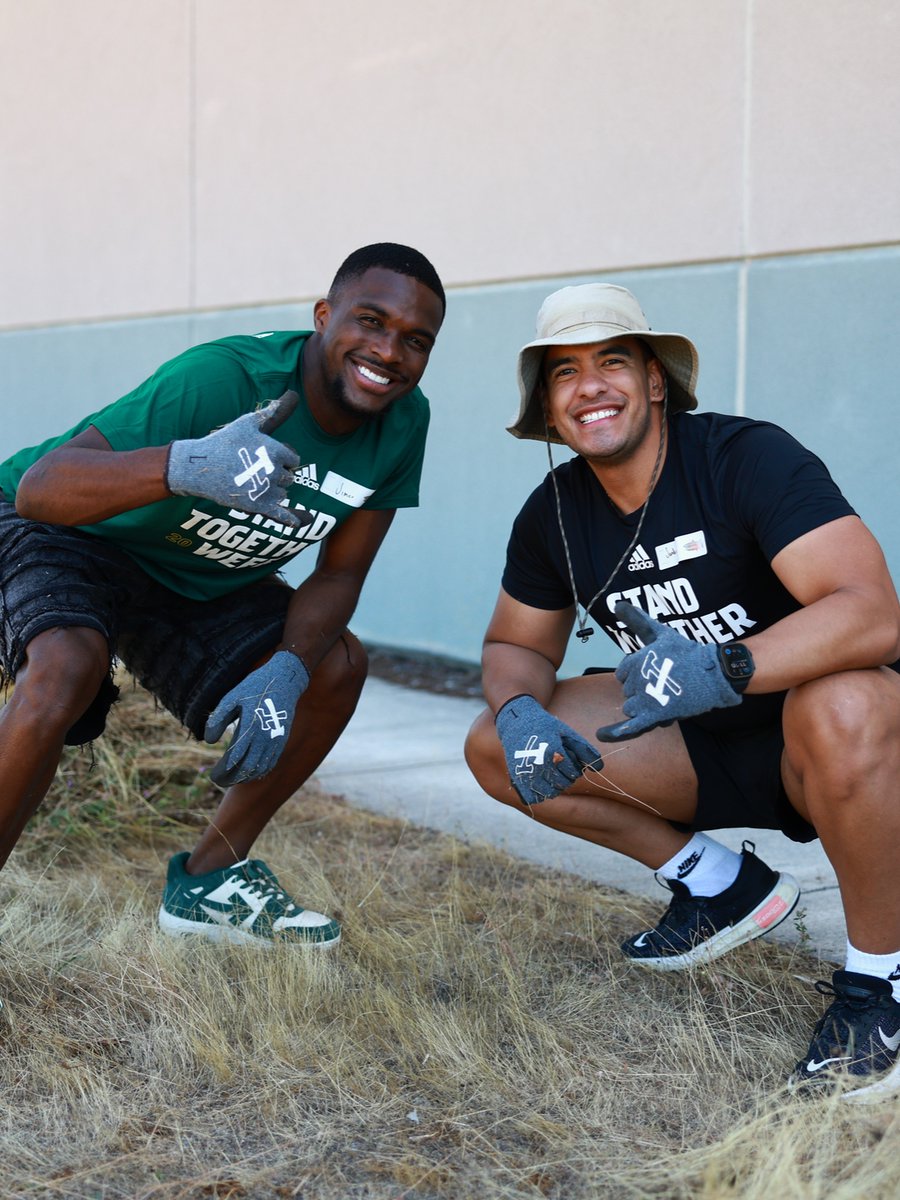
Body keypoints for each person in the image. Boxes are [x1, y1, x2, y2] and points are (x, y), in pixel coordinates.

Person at [464, 282, 900, 1100]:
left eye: (612, 361)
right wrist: (520, 709)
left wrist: (725, 666)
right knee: (496, 744)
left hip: (833, 739)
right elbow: (513, 644)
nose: (590, 386)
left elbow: (874, 614)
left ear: (656, 380)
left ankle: (883, 981)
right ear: (549, 408)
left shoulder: (745, 456)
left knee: (846, 700)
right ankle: (719, 887)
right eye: (565, 372)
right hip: (700, 745)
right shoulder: (555, 512)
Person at [0, 242, 445, 950]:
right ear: (324, 316)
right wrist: (187, 465)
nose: (390, 351)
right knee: (66, 667)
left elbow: (338, 574)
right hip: (77, 531)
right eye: (370, 321)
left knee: (337, 667)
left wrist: (288, 669)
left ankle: (208, 881)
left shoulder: (404, 424)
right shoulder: (227, 376)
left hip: (194, 574)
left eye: (415, 340)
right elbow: (42, 489)